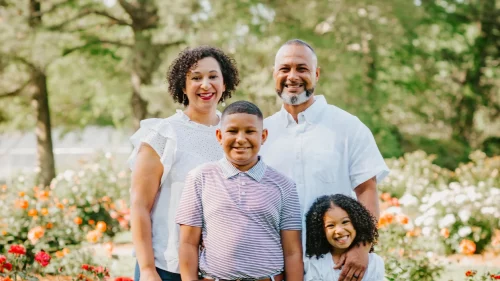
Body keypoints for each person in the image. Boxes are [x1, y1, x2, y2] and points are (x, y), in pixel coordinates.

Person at [260, 39, 389, 281]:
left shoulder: (349, 127)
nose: (293, 76)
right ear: (274, 74)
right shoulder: (261, 133)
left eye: (302, 68)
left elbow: (367, 191)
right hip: (276, 268)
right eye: (285, 69)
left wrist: (362, 247)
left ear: (316, 74)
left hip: (337, 266)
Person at [128, 46, 240, 281]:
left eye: (213, 76)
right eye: (196, 78)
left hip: (219, 270)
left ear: (225, 83)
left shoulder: (234, 134)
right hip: (166, 267)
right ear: (183, 85)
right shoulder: (163, 134)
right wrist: (148, 269)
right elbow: (139, 206)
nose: (206, 85)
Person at [176, 101, 304, 281]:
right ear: (219, 135)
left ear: (263, 136)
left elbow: (293, 252)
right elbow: (188, 243)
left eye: (250, 131)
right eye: (233, 131)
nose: (241, 139)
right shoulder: (200, 178)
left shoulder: (285, 185)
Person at [304, 194, 384, 281]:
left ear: (357, 222)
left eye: (345, 222)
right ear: (321, 231)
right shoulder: (315, 264)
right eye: (330, 225)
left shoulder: (374, 262)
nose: (339, 230)